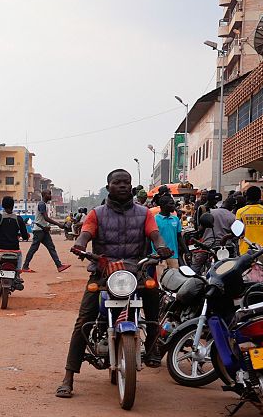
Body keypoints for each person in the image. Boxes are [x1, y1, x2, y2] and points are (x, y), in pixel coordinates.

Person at [56, 169, 173, 398]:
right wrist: (80, 244)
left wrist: (161, 246)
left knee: (153, 301)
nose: (122, 186)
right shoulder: (97, 214)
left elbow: (155, 234)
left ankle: (152, 349)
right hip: (103, 271)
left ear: (131, 186)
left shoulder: (144, 213)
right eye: (117, 182)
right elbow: (86, 234)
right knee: (84, 319)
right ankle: (68, 377)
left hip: (135, 270)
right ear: (108, 185)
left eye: (126, 183)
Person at [22, 190, 71, 273]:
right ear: (44, 195)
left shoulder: (44, 204)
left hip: (43, 230)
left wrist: (47, 226)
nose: (50, 196)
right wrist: (59, 224)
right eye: (49, 194)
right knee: (34, 249)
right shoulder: (41, 204)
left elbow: (44, 220)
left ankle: (59, 266)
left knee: (51, 247)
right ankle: (25, 266)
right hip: (39, 230)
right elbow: (46, 218)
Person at [0, 196, 30, 280]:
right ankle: (18, 274)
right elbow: (25, 236)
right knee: (19, 254)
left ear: (3, 206)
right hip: (14, 249)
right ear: (13, 205)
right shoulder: (18, 219)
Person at [154, 196, 184, 269]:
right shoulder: (155, 220)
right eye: (171, 204)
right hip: (159, 256)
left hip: (173, 255)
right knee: (161, 279)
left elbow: (179, 237)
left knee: (174, 278)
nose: (174, 206)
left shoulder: (175, 219)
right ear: (163, 205)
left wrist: (186, 251)